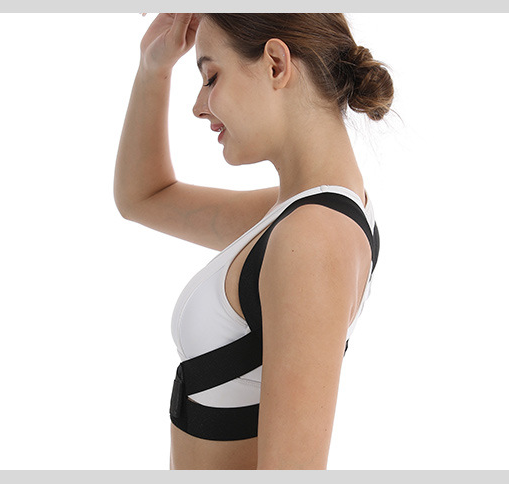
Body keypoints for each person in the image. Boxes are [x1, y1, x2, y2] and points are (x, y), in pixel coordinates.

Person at [113, 13, 392, 470]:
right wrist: (153, 66)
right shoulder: (299, 215)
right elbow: (143, 197)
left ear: (276, 64)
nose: (199, 107)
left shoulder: (312, 237)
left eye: (211, 77)